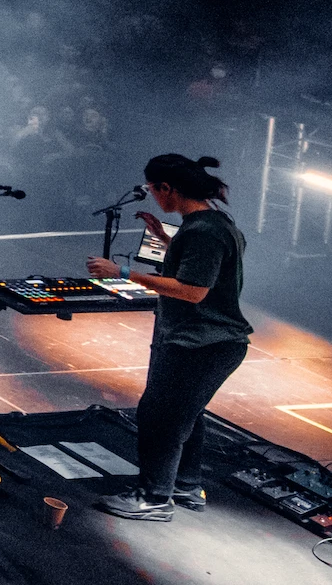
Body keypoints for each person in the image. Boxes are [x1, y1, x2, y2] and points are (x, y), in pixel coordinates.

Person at [93, 152, 251, 521]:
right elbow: (203, 265)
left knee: (160, 417)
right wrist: (165, 238)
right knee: (186, 415)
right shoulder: (215, 223)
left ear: (167, 188)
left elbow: (193, 290)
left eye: (152, 189)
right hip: (205, 341)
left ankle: (154, 498)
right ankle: (185, 485)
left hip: (201, 343)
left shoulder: (204, 231)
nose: (152, 196)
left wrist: (124, 271)